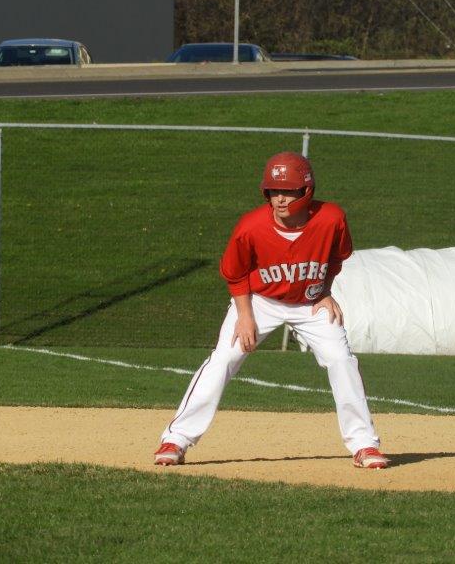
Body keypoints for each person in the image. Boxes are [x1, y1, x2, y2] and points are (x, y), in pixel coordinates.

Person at [155, 151, 388, 469]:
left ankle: (364, 445)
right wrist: (245, 315)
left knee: (341, 360)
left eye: (288, 191)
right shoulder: (251, 227)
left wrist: (325, 292)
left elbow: (338, 256)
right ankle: (175, 439)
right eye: (274, 191)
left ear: (306, 191)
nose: (280, 198)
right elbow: (234, 273)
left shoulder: (331, 219)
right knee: (225, 358)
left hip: (309, 304)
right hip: (259, 302)